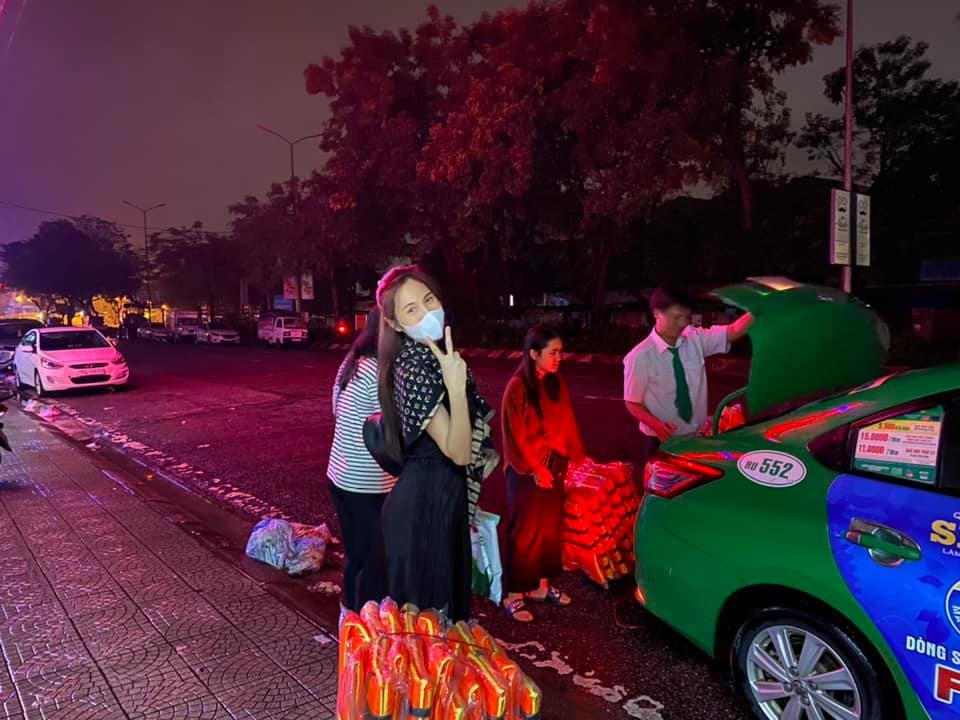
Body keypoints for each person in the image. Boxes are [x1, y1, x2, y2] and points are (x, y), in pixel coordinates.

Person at [374, 265, 499, 621]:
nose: (428, 313)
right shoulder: (413, 365)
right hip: (424, 512)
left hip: (443, 501)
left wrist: (484, 448)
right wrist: (455, 388)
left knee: (444, 626)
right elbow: (457, 452)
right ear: (396, 324)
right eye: (412, 309)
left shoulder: (435, 354)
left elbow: (467, 437)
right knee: (430, 631)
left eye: (429, 300)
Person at [500, 325, 585, 622]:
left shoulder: (555, 382)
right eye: (553, 352)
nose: (559, 358)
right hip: (526, 469)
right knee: (525, 533)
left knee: (550, 529)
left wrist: (578, 458)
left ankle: (541, 585)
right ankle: (513, 594)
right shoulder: (518, 386)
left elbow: (568, 421)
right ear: (534, 354)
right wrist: (535, 468)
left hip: (555, 465)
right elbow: (514, 434)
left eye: (561, 352)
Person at [623, 286, 753, 471]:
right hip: (660, 440)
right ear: (656, 313)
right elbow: (632, 402)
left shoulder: (694, 338)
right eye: (676, 317)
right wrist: (656, 425)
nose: (682, 323)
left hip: (695, 437)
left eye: (686, 317)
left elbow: (732, 331)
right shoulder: (640, 356)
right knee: (662, 486)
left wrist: (760, 309)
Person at [327, 308, 395, 615]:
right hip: (366, 483)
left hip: (340, 475)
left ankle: (349, 616)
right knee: (375, 561)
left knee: (356, 554)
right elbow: (400, 428)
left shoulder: (352, 362)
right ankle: (366, 626)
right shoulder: (381, 371)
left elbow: (336, 408)